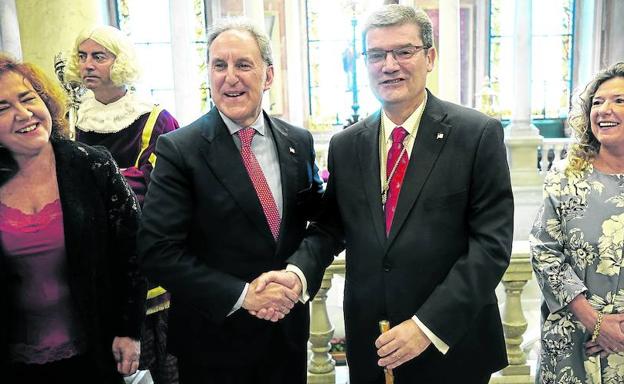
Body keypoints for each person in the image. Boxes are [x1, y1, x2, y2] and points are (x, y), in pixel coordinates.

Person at [255, 4, 514, 383]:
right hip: (372, 342)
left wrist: (426, 326)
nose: (389, 65)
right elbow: (330, 227)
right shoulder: (347, 144)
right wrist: (297, 275)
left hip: (452, 344)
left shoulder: (476, 135)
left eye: (403, 51)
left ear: (430, 56)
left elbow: (490, 247)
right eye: (377, 54)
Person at [137, 18, 324, 384]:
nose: (230, 77)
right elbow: (157, 251)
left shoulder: (297, 142)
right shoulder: (180, 149)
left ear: (268, 76)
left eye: (243, 64)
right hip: (214, 343)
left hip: (286, 337)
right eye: (219, 65)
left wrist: (298, 276)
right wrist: (243, 295)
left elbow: (323, 223)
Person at [0, 54, 146, 383]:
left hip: (94, 349)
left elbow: (133, 251)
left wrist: (129, 330)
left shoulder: (92, 165)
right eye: (2, 108)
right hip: (14, 361)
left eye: (27, 98)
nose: (23, 114)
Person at [66, 25, 179, 384]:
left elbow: (159, 190)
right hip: (88, 264)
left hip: (146, 262)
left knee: (160, 368)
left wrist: (96, 185)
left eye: (99, 56)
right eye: (82, 56)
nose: (87, 65)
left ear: (121, 61)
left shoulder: (154, 119)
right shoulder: (67, 119)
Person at [530, 62, 624, 383]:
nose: (604, 110)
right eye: (597, 102)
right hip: (574, 339)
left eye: (619, 101)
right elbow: (545, 253)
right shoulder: (566, 175)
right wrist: (594, 321)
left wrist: (617, 330)